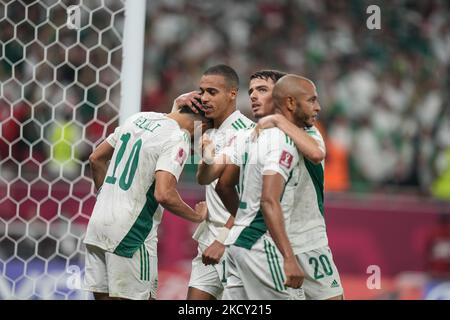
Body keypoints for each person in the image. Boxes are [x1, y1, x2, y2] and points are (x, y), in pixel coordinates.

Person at [83, 106, 210, 300]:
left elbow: (95, 159)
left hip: (97, 226)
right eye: (203, 132)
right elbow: (164, 194)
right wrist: (197, 215)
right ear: (201, 124)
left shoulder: (139, 118)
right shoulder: (178, 136)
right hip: (130, 233)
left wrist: (106, 196)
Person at [173, 64, 254, 300]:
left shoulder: (248, 134)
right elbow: (201, 176)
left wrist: (223, 240)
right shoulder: (204, 131)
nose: (205, 97)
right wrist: (177, 104)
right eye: (202, 91)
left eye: (212, 92)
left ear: (232, 93)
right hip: (208, 240)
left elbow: (251, 198)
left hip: (235, 243)